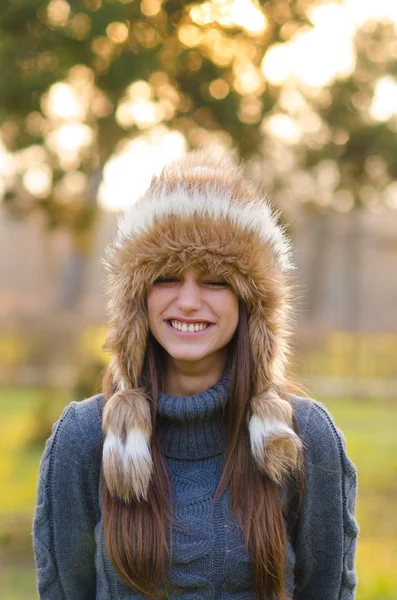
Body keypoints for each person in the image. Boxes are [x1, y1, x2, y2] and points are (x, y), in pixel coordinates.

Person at [32, 149, 359, 600]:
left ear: (251, 303)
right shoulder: (86, 437)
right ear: (137, 300)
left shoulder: (303, 438)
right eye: (166, 276)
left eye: (215, 280)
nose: (188, 301)